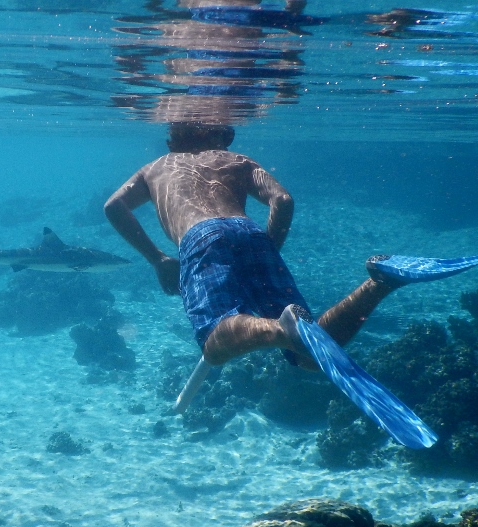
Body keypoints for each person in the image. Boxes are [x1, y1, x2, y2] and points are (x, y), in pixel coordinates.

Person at [104, 122, 401, 369]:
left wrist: (157, 259)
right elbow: (282, 200)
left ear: (173, 139)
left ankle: (280, 329)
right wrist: (268, 250)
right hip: (250, 232)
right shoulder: (238, 160)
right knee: (309, 356)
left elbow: (114, 206)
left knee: (214, 344)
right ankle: (378, 284)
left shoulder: (155, 168)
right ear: (220, 136)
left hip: (200, 236)